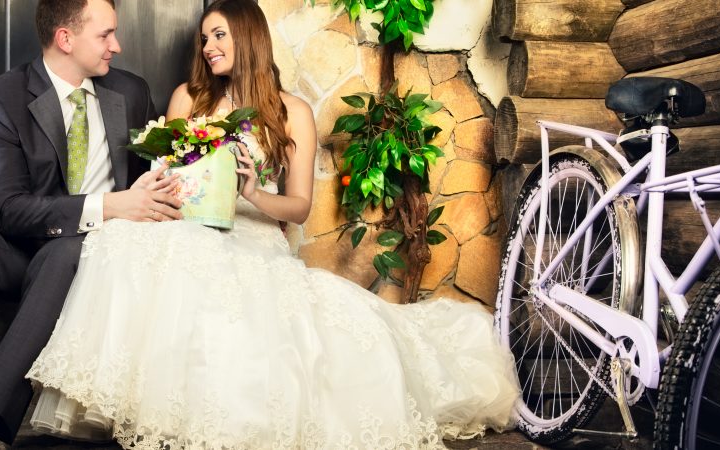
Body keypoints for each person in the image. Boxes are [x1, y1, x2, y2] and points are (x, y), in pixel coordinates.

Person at [26, 0, 520, 448]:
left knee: (237, 289)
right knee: (128, 245)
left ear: (249, 37)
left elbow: (299, 206)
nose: (208, 47)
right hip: (188, 225)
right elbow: (168, 176)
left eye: (218, 35)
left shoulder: (292, 113)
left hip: (253, 234)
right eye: (204, 39)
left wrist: (252, 192)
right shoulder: (187, 100)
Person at [0, 1, 184, 449]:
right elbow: (6, 208)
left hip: (95, 256)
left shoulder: (131, 93)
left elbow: (156, 177)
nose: (117, 46)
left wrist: (163, 189)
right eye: (105, 35)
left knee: (69, 251)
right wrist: (108, 204)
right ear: (66, 39)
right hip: (20, 249)